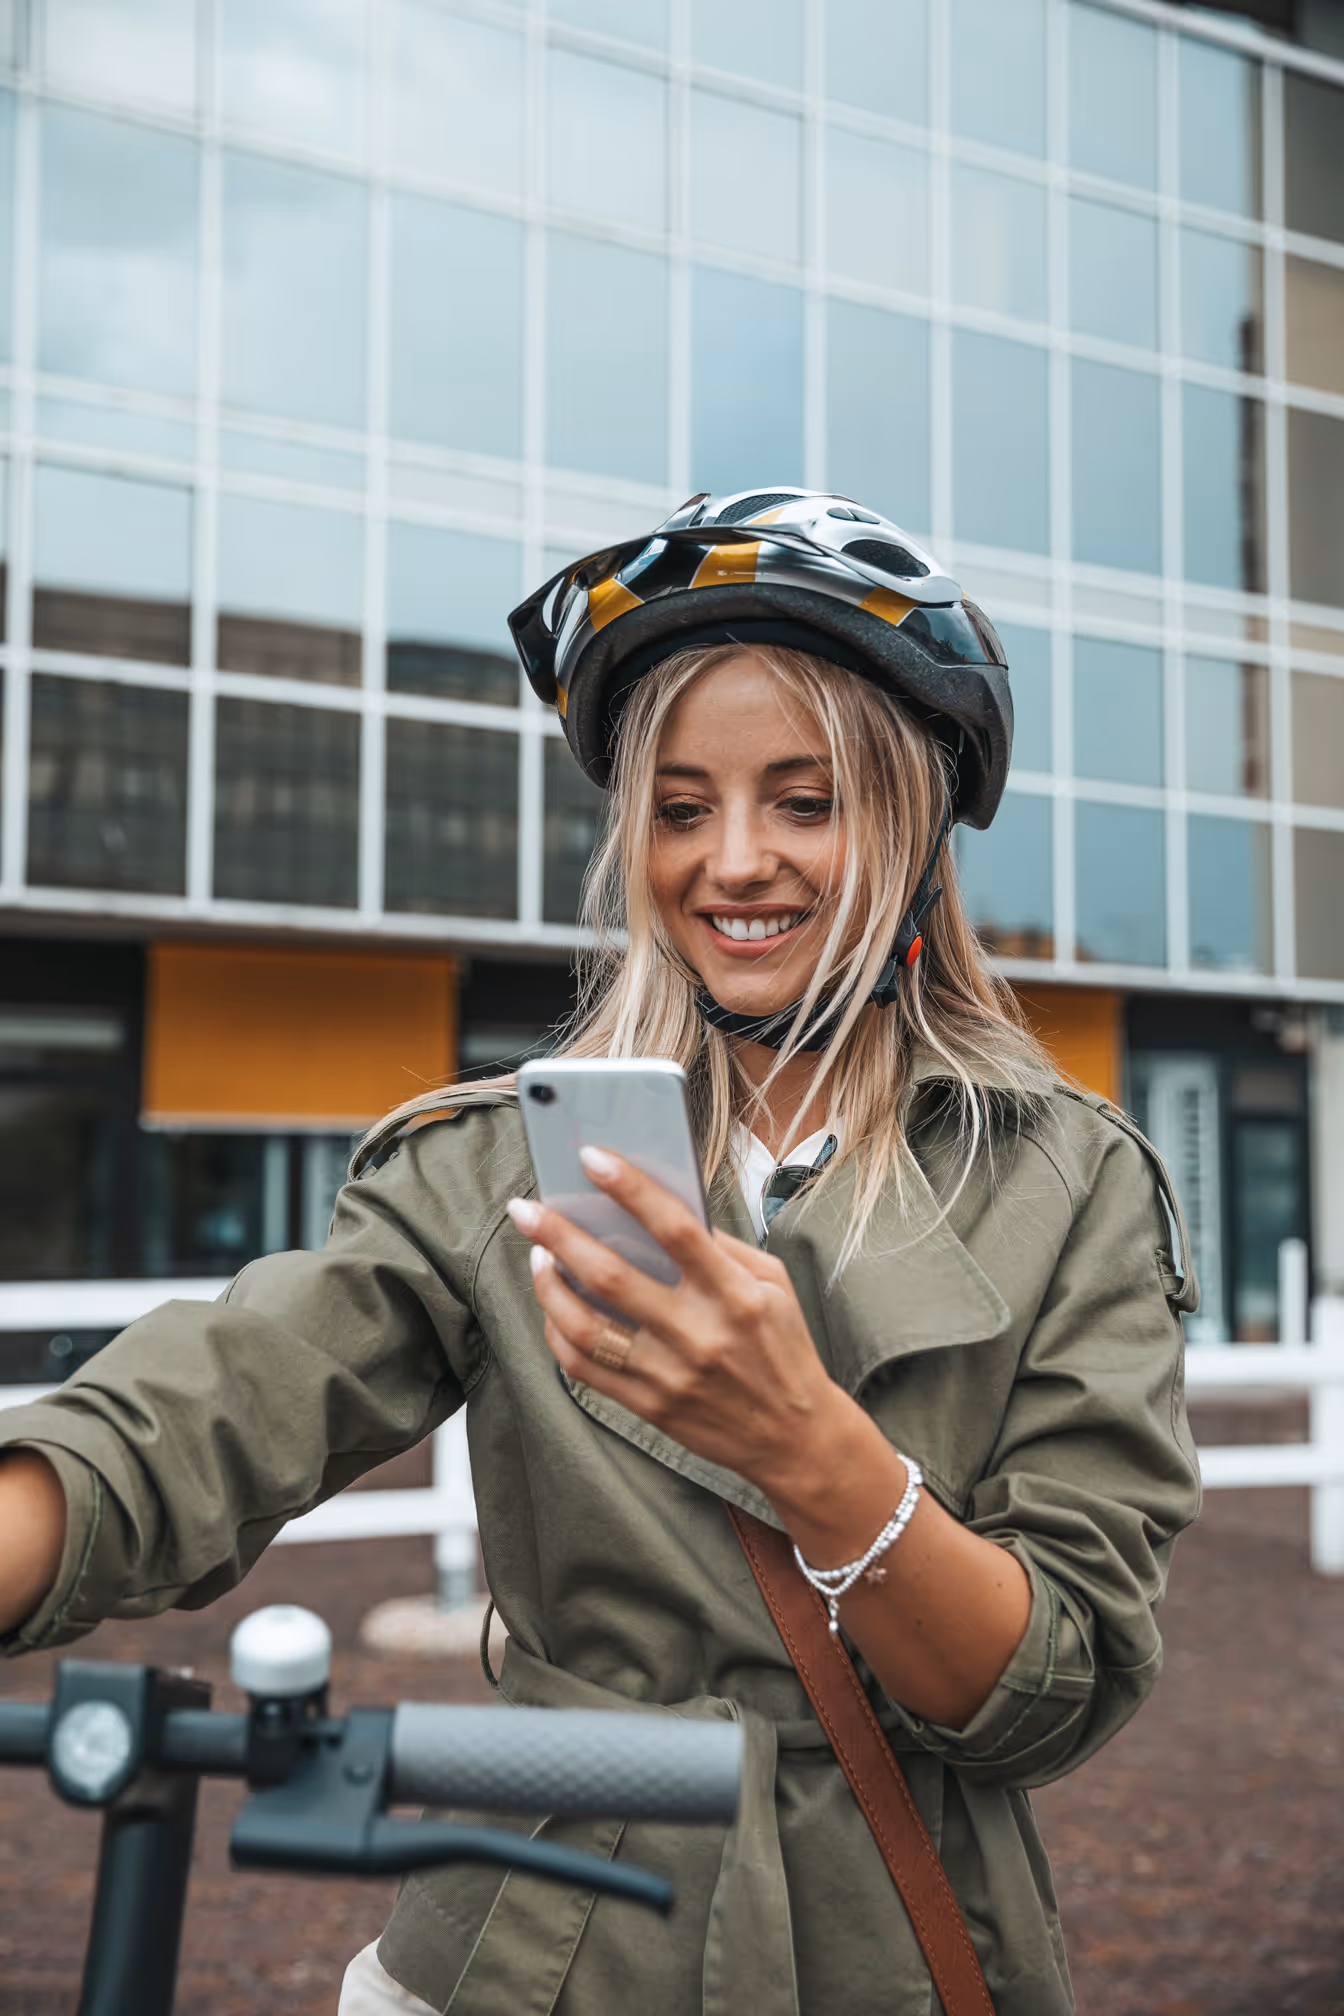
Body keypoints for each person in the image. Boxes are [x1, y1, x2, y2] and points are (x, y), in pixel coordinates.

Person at [0, 487, 1201, 2016]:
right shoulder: (492, 1160)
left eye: (806, 800)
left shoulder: (1074, 1186)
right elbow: (217, 1407)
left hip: (891, 1947)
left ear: (914, 821)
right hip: (523, 1944)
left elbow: (1058, 1686)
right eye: (682, 806)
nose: (734, 862)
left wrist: (809, 1449)